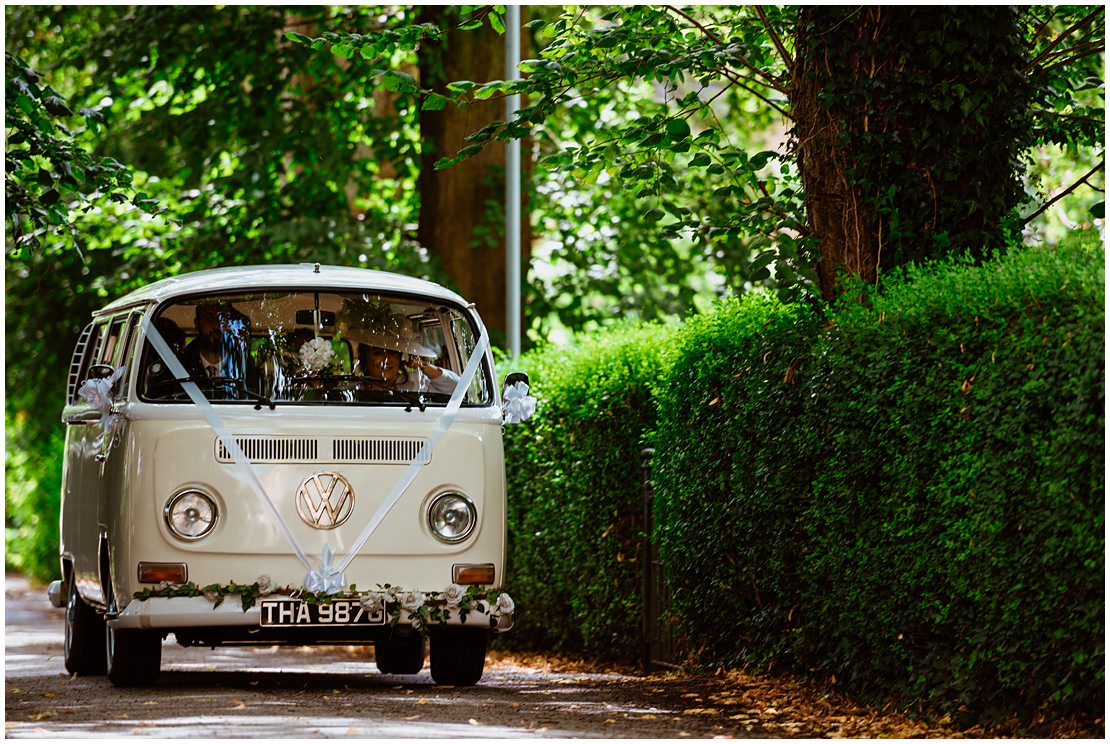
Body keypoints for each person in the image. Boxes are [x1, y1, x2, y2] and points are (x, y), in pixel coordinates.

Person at [180, 301, 254, 397]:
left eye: (223, 318)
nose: (217, 325)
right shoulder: (179, 367)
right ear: (197, 324)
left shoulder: (247, 369)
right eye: (209, 318)